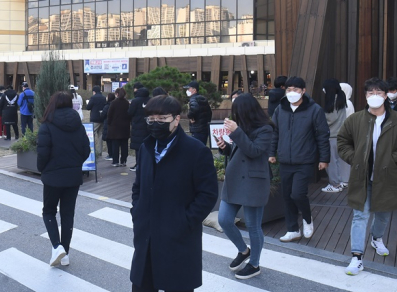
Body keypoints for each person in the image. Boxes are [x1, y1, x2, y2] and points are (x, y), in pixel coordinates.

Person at [130, 95, 218, 292]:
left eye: (162, 119)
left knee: (178, 285)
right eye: (151, 119)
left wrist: (184, 221)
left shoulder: (195, 151)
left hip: (178, 238)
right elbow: (138, 186)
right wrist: (138, 212)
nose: (155, 124)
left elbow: (208, 194)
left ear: (177, 119)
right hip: (147, 236)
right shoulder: (146, 147)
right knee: (142, 285)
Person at [337, 77, 397, 275]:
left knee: (383, 215)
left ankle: (376, 238)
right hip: (361, 178)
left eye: (379, 93)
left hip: (387, 178)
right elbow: (343, 141)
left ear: (386, 96)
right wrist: (354, 158)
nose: (375, 96)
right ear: (365, 96)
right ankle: (357, 257)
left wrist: (394, 160)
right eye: (370, 93)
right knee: (360, 215)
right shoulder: (355, 119)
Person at [215, 93, 274, 280]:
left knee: (253, 226)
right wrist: (226, 148)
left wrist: (236, 132)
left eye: (237, 112)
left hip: (254, 183)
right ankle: (243, 250)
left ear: (246, 111)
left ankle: (254, 263)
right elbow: (241, 151)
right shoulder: (243, 128)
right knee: (224, 219)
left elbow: (254, 151)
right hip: (234, 181)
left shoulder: (266, 129)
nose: (234, 116)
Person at [269, 76, 330, 242]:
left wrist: (324, 158)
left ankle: (308, 218)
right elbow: (275, 132)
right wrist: (271, 152)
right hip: (285, 160)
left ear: (303, 91)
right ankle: (292, 229)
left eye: (296, 90)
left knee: (298, 194)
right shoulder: (280, 109)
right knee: (287, 195)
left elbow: (322, 135)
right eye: (289, 90)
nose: (292, 93)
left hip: (305, 160)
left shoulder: (314, 109)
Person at [37, 91, 90, 267]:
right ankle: (64, 252)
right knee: (68, 214)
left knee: (49, 211)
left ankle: (56, 246)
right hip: (73, 176)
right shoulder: (78, 124)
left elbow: (42, 153)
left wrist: (42, 169)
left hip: (52, 176)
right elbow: (86, 150)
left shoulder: (47, 124)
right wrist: (75, 164)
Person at [321, 78, 348, 193]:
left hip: (332, 136)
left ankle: (335, 185)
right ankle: (340, 182)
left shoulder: (332, 101)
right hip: (340, 135)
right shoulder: (341, 98)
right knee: (337, 161)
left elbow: (331, 119)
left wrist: (320, 118)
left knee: (331, 162)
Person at [128, 87, 151, 172]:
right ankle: (147, 164)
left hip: (137, 125)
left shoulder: (135, 101)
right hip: (149, 125)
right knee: (148, 145)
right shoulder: (151, 100)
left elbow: (130, 112)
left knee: (138, 147)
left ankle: (138, 164)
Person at [185, 81, 212, 146]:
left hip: (197, 128)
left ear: (194, 90)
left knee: (196, 147)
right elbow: (209, 113)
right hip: (204, 128)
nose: (187, 91)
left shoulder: (193, 99)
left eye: (189, 89)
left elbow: (194, 108)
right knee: (202, 146)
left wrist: (190, 116)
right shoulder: (203, 98)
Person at [107, 90, 130, 167]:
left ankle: (115, 161)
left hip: (115, 127)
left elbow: (109, 115)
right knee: (124, 145)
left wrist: (109, 123)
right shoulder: (127, 103)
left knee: (115, 145)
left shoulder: (113, 103)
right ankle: (123, 161)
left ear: (116, 94)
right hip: (125, 127)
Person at [86, 86, 107, 157]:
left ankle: (92, 151)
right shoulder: (104, 98)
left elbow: (88, 107)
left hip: (94, 119)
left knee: (92, 134)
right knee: (100, 135)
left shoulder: (93, 98)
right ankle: (100, 151)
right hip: (102, 118)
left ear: (94, 91)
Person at [100, 93, 114, 161]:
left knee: (108, 140)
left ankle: (110, 154)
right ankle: (113, 154)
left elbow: (103, 115)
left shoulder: (107, 106)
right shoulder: (115, 105)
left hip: (107, 123)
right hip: (114, 124)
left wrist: (101, 113)